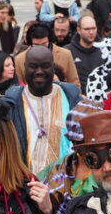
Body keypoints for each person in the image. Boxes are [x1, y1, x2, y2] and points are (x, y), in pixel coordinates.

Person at [5, 45, 82, 174]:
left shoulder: (72, 100)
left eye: (45, 66)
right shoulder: (11, 104)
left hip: (66, 182)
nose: (39, 71)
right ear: (25, 67)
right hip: (25, 184)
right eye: (33, 66)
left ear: (53, 67)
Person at [39, 96, 102, 214]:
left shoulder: (109, 170)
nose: (78, 147)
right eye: (74, 141)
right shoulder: (61, 166)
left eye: (83, 141)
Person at [14, 22, 80, 88]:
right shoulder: (19, 59)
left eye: (44, 44)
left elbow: (75, 84)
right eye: (36, 45)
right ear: (30, 43)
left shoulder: (65, 54)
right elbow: (18, 87)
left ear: (49, 40)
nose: (41, 48)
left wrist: (60, 84)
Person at [65, 14, 104, 95]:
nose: (91, 32)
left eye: (94, 28)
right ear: (79, 30)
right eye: (87, 29)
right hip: (77, 100)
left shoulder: (105, 49)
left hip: (102, 100)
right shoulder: (68, 51)